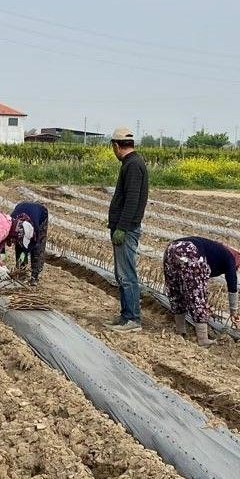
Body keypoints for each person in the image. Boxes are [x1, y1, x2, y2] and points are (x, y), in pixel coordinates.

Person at [163, 237, 240, 346]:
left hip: (171, 248)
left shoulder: (216, 250)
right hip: (190, 251)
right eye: (239, 266)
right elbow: (232, 284)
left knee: (175, 290)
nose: (238, 268)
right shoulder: (230, 258)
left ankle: (180, 330)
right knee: (197, 296)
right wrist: (234, 311)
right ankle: (203, 339)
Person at [106, 127, 148, 332]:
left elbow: (132, 200)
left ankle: (133, 319)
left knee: (127, 275)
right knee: (121, 274)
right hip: (123, 227)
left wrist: (121, 228)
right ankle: (125, 316)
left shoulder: (132, 165)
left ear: (116, 145)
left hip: (127, 229)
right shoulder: (130, 164)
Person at [10, 201, 49, 286]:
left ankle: (35, 276)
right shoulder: (11, 222)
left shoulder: (35, 227)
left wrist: (26, 250)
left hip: (40, 212)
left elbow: (32, 244)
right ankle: (21, 271)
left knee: (38, 248)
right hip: (22, 207)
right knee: (20, 246)